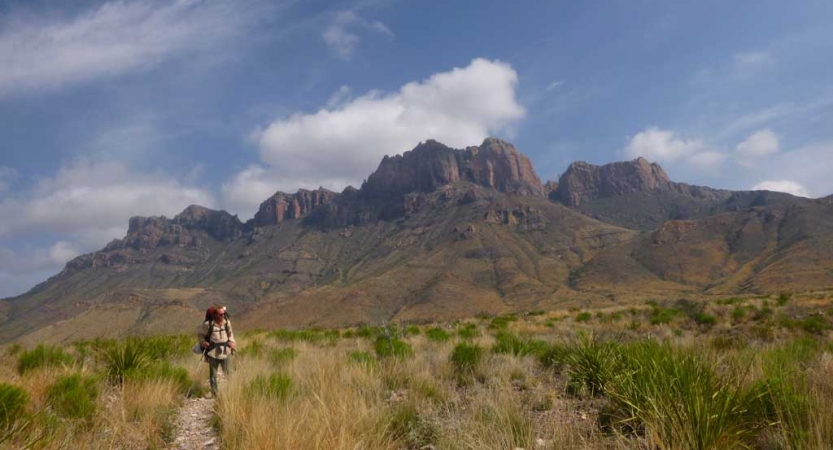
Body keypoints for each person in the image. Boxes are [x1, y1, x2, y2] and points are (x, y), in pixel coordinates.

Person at [198, 306, 236, 395]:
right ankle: (215, 394)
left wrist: (232, 342)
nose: (223, 316)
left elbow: (230, 334)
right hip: (213, 352)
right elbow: (200, 335)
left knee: (229, 372)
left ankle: (233, 391)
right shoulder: (208, 324)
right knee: (213, 375)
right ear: (215, 315)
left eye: (224, 314)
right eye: (221, 314)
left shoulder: (227, 323)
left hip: (226, 351)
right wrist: (203, 343)